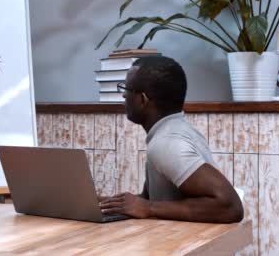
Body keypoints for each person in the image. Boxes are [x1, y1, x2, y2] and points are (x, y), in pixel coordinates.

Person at [100, 56, 243, 223]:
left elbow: (230, 206)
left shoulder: (166, 143)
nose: (124, 95)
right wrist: (100, 202)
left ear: (142, 99)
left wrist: (148, 207)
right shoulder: (174, 131)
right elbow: (152, 201)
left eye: (127, 89)